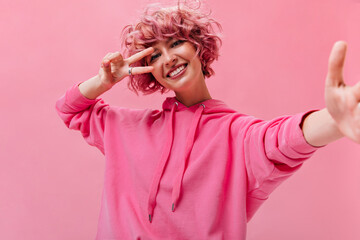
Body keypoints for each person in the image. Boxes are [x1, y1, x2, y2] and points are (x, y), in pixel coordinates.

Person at [55, 2, 360, 240]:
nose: (168, 59)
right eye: (155, 56)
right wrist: (101, 82)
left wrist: (334, 120)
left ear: (198, 47)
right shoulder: (128, 128)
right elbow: (70, 110)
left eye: (175, 44)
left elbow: (284, 139)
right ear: (149, 71)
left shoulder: (237, 135)